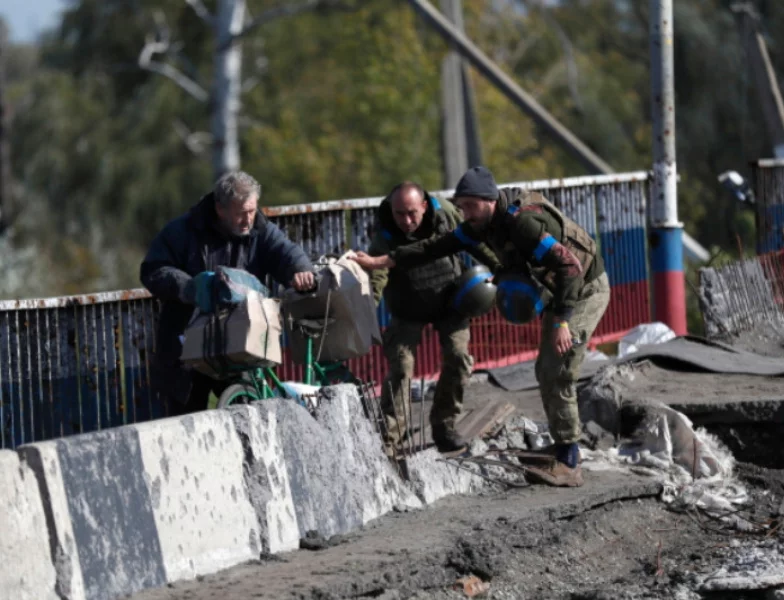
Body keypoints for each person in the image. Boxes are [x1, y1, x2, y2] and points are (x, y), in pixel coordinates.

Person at [354, 167, 610, 486]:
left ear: (489, 202)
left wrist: (561, 321)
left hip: (584, 290)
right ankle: (561, 448)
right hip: (561, 291)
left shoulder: (523, 225)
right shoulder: (478, 225)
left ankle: (569, 463)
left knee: (559, 366)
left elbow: (569, 265)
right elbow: (435, 247)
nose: (465, 214)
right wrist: (383, 261)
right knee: (545, 367)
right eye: (461, 207)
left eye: (470, 206)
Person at [140, 170, 316, 416]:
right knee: (186, 418)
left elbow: (286, 253)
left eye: (252, 211)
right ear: (220, 209)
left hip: (239, 341)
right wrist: (189, 287)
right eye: (241, 214)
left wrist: (300, 270)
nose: (248, 220)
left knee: (249, 411)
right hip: (188, 344)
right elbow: (153, 270)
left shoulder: (261, 231)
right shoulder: (183, 231)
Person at [368, 182, 500, 453]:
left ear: (425, 206)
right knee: (401, 367)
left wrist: (501, 269)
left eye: (412, 213)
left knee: (458, 356)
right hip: (407, 308)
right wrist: (369, 305)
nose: (406, 221)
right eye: (399, 214)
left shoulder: (446, 214)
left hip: (451, 301)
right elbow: (377, 275)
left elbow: (472, 240)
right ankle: (390, 439)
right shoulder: (384, 233)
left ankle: (444, 424)